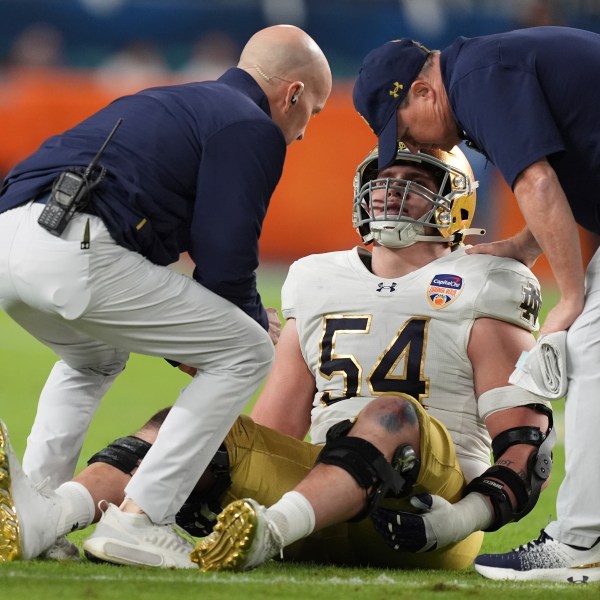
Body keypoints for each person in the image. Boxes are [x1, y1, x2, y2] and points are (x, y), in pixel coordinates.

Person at [1, 143, 554, 570]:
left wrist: (460, 518)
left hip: (428, 513)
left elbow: (527, 453)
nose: (390, 192)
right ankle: (50, 516)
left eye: (413, 183)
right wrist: (217, 471)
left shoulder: (486, 282)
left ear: (455, 200)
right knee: (188, 429)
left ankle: (265, 535)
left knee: (391, 412)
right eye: (383, 181)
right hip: (322, 504)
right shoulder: (317, 278)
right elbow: (275, 430)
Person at [0, 24, 332, 569]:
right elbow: (225, 256)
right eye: (312, 113)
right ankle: (141, 518)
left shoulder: (162, 97)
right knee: (246, 349)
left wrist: (196, 330)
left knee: (94, 358)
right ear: (292, 94)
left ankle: (35, 512)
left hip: (15, 238)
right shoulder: (251, 124)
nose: (302, 132)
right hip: (76, 249)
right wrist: (249, 318)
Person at [351, 28, 600, 582]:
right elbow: (567, 170)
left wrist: (571, 298)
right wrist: (524, 245)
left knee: (587, 345)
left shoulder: (476, 78)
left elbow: (536, 179)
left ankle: (581, 541)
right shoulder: (484, 68)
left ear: (421, 91)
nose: (413, 146)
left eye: (404, 130)